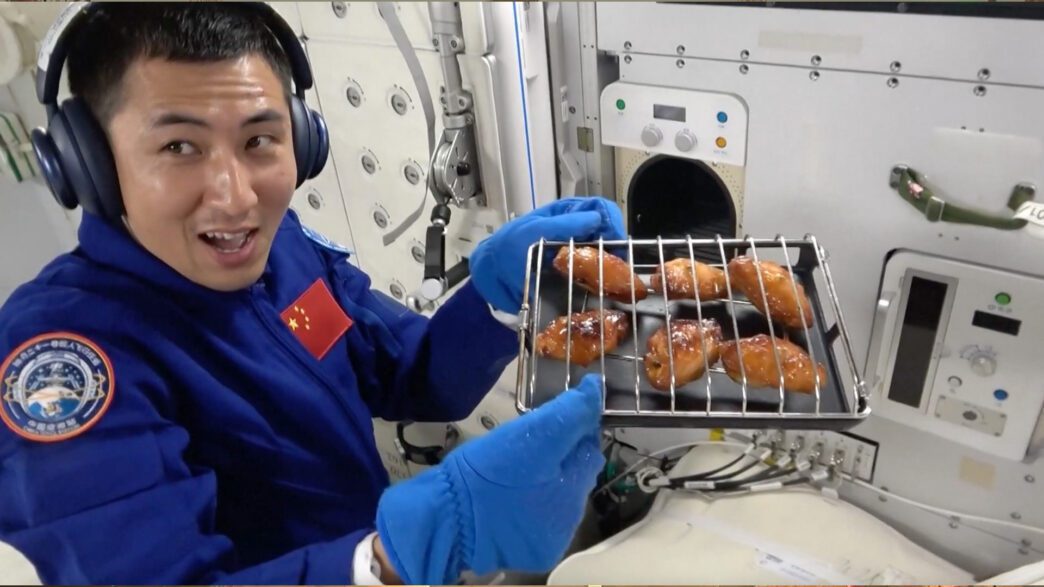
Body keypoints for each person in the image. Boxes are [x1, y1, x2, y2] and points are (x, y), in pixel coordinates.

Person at [0, 3, 624, 584]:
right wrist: (394, 559)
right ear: (90, 166)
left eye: (258, 141)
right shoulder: (65, 357)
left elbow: (411, 376)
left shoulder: (284, 251)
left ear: (301, 140)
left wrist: (497, 300)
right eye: (179, 147)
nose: (237, 197)